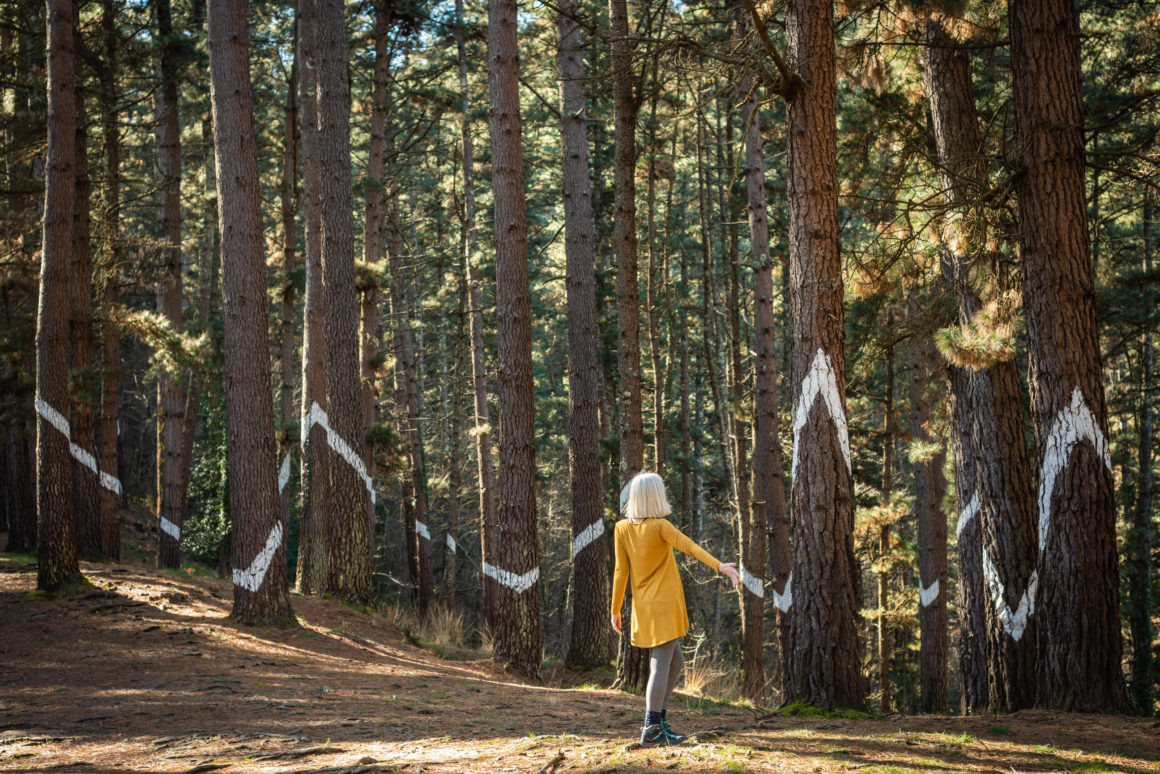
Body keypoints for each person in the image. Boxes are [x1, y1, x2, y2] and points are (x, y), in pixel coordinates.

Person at [611, 471, 740, 748]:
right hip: (664, 604)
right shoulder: (659, 525)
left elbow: (621, 571)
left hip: (644, 606)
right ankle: (651, 727)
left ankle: (659, 723)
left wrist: (616, 608)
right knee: (660, 663)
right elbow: (690, 547)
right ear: (655, 497)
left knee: (676, 662)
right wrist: (720, 566)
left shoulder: (622, 528)